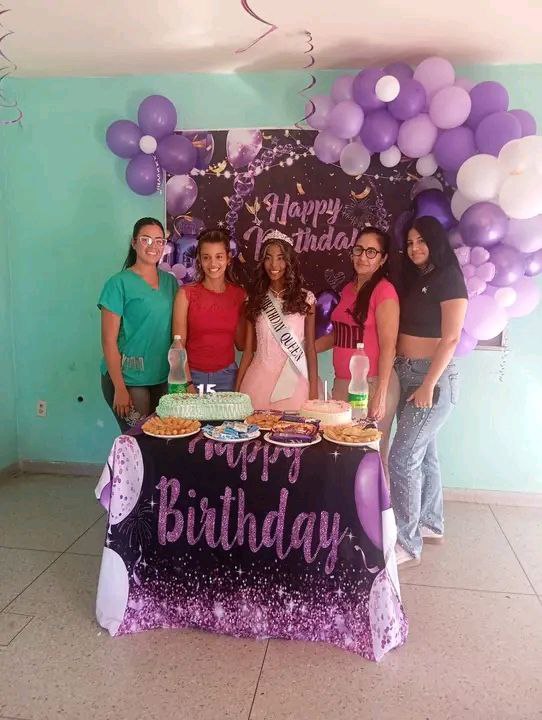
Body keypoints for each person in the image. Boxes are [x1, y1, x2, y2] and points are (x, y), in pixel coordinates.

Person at [389, 216, 468, 567]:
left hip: (431, 379)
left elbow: (451, 338)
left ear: (435, 241)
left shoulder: (449, 276)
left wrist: (428, 384)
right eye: (410, 242)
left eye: (421, 240)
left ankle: (407, 543)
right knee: (425, 454)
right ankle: (431, 523)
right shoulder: (417, 277)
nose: (414, 248)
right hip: (406, 372)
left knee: (402, 457)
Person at [316, 226, 399, 471]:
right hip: (343, 384)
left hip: (371, 384)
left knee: (371, 457)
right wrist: (304, 349)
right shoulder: (348, 289)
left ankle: (380, 499)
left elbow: (389, 347)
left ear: (383, 258)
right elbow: (339, 335)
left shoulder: (384, 291)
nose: (363, 257)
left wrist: (380, 394)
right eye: (359, 250)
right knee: (342, 455)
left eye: (371, 252)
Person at [98, 217, 177, 431]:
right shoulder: (118, 284)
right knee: (137, 439)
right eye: (145, 239)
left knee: (163, 439)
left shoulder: (170, 283)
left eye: (159, 241)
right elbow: (108, 341)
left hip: (161, 376)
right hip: (128, 379)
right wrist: (119, 388)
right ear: (134, 243)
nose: (153, 246)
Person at [236, 230, 319, 410]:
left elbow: (310, 349)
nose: (274, 264)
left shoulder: (306, 300)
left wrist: (313, 391)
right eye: (268, 258)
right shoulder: (254, 300)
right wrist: (237, 392)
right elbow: (248, 351)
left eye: (281, 258)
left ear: (289, 261)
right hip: (258, 382)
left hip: (295, 381)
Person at [172, 229, 246, 392]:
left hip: (228, 377)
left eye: (219, 257)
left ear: (228, 259)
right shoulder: (186, 294)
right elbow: (178, 344)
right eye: (206, 257)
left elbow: (241, 344)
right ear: (199, 260)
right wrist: (187, 383)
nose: (213, 264)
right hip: (192, 377)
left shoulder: (239, 295)